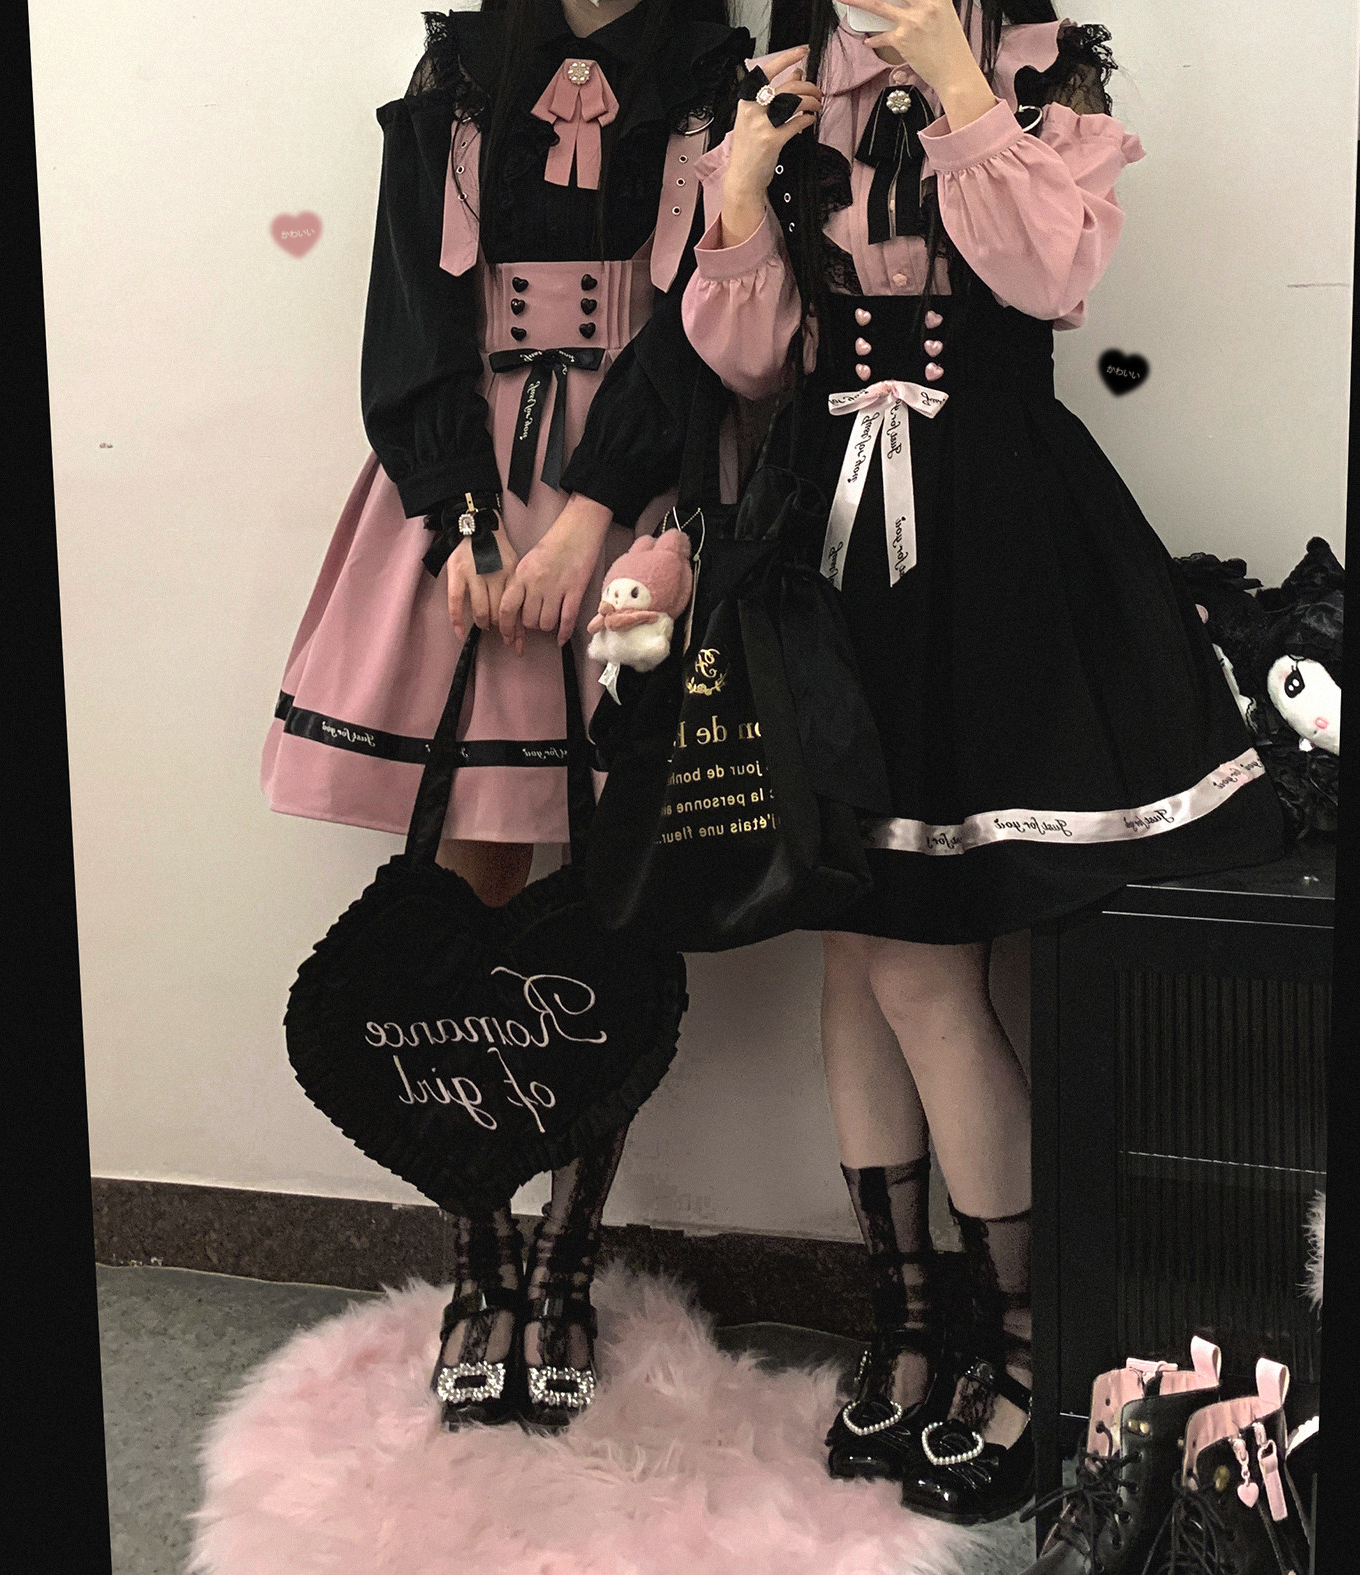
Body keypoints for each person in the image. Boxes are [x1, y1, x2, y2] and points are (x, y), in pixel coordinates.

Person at [680, 0, 1286, 1523]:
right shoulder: (783, 90)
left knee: (921, 967)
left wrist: (957, 86)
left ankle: (1019, 1344)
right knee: (850, 951)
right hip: (829, 556)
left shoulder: (1034, 82)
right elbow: (749, 366)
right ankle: (908, 1325)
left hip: (993, 550)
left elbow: (1046, 277)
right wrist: (739, 192)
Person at [262, 0, 751, 1433]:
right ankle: (480, 1255)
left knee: (617, 889)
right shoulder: (461, 69)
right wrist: (461, 520)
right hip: (472, 495)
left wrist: (595, 521)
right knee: (471, 893)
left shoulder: (716, 76)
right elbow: (409, 315)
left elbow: (700, 330)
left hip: (642, 500)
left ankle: (563, 1265)